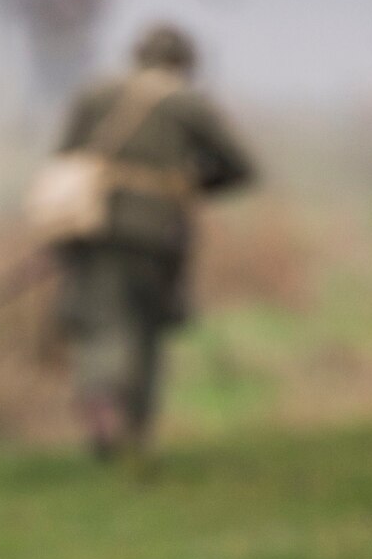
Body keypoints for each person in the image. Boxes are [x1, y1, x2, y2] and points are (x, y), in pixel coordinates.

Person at [50, 23, 253, 458]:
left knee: (101, 321)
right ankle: (138, 427)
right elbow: (241, 167)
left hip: (94, 226)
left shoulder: (95, 94)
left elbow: (63, 161)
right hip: (161, 232)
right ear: (186, 62)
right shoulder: (190, 104)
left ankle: (102, 404)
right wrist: (190, 185)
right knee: (147, 326)